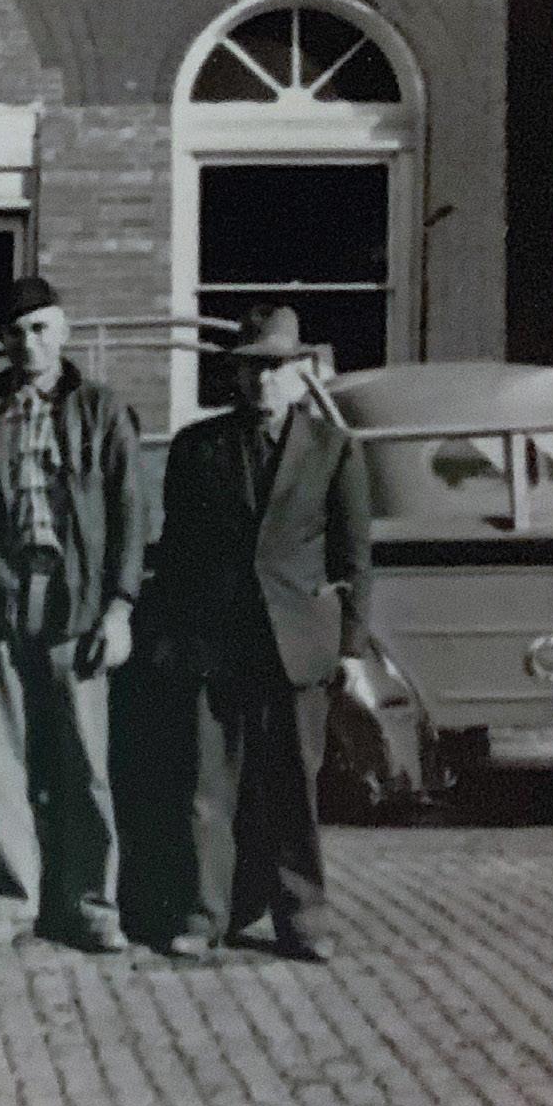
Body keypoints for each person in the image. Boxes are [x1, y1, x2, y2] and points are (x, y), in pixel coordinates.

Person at [155, 304, 372, 963]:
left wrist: (350, 648)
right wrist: (171, 636)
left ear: (301, 371)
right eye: (250, 368)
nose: (261, 381)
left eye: (275, 367)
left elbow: (354, 558)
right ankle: (203, 914)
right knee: (206, 788)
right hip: (213, 641)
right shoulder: (197, 447)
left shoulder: (334, 449)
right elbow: (177, 552)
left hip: (294, 643)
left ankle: (302, 918)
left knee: (291, 788)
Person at [0, 275, 145, 951]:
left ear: (63, 331)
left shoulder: (102, 411)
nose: (28, 343)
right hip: (2, 605)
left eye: (39, 329)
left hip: (76, 607)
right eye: (15, 332)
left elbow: (130, 514)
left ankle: (93, 905)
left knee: (86, 765)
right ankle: (12, 901)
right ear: (0, 340)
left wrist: (119, 609)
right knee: (2, 766)